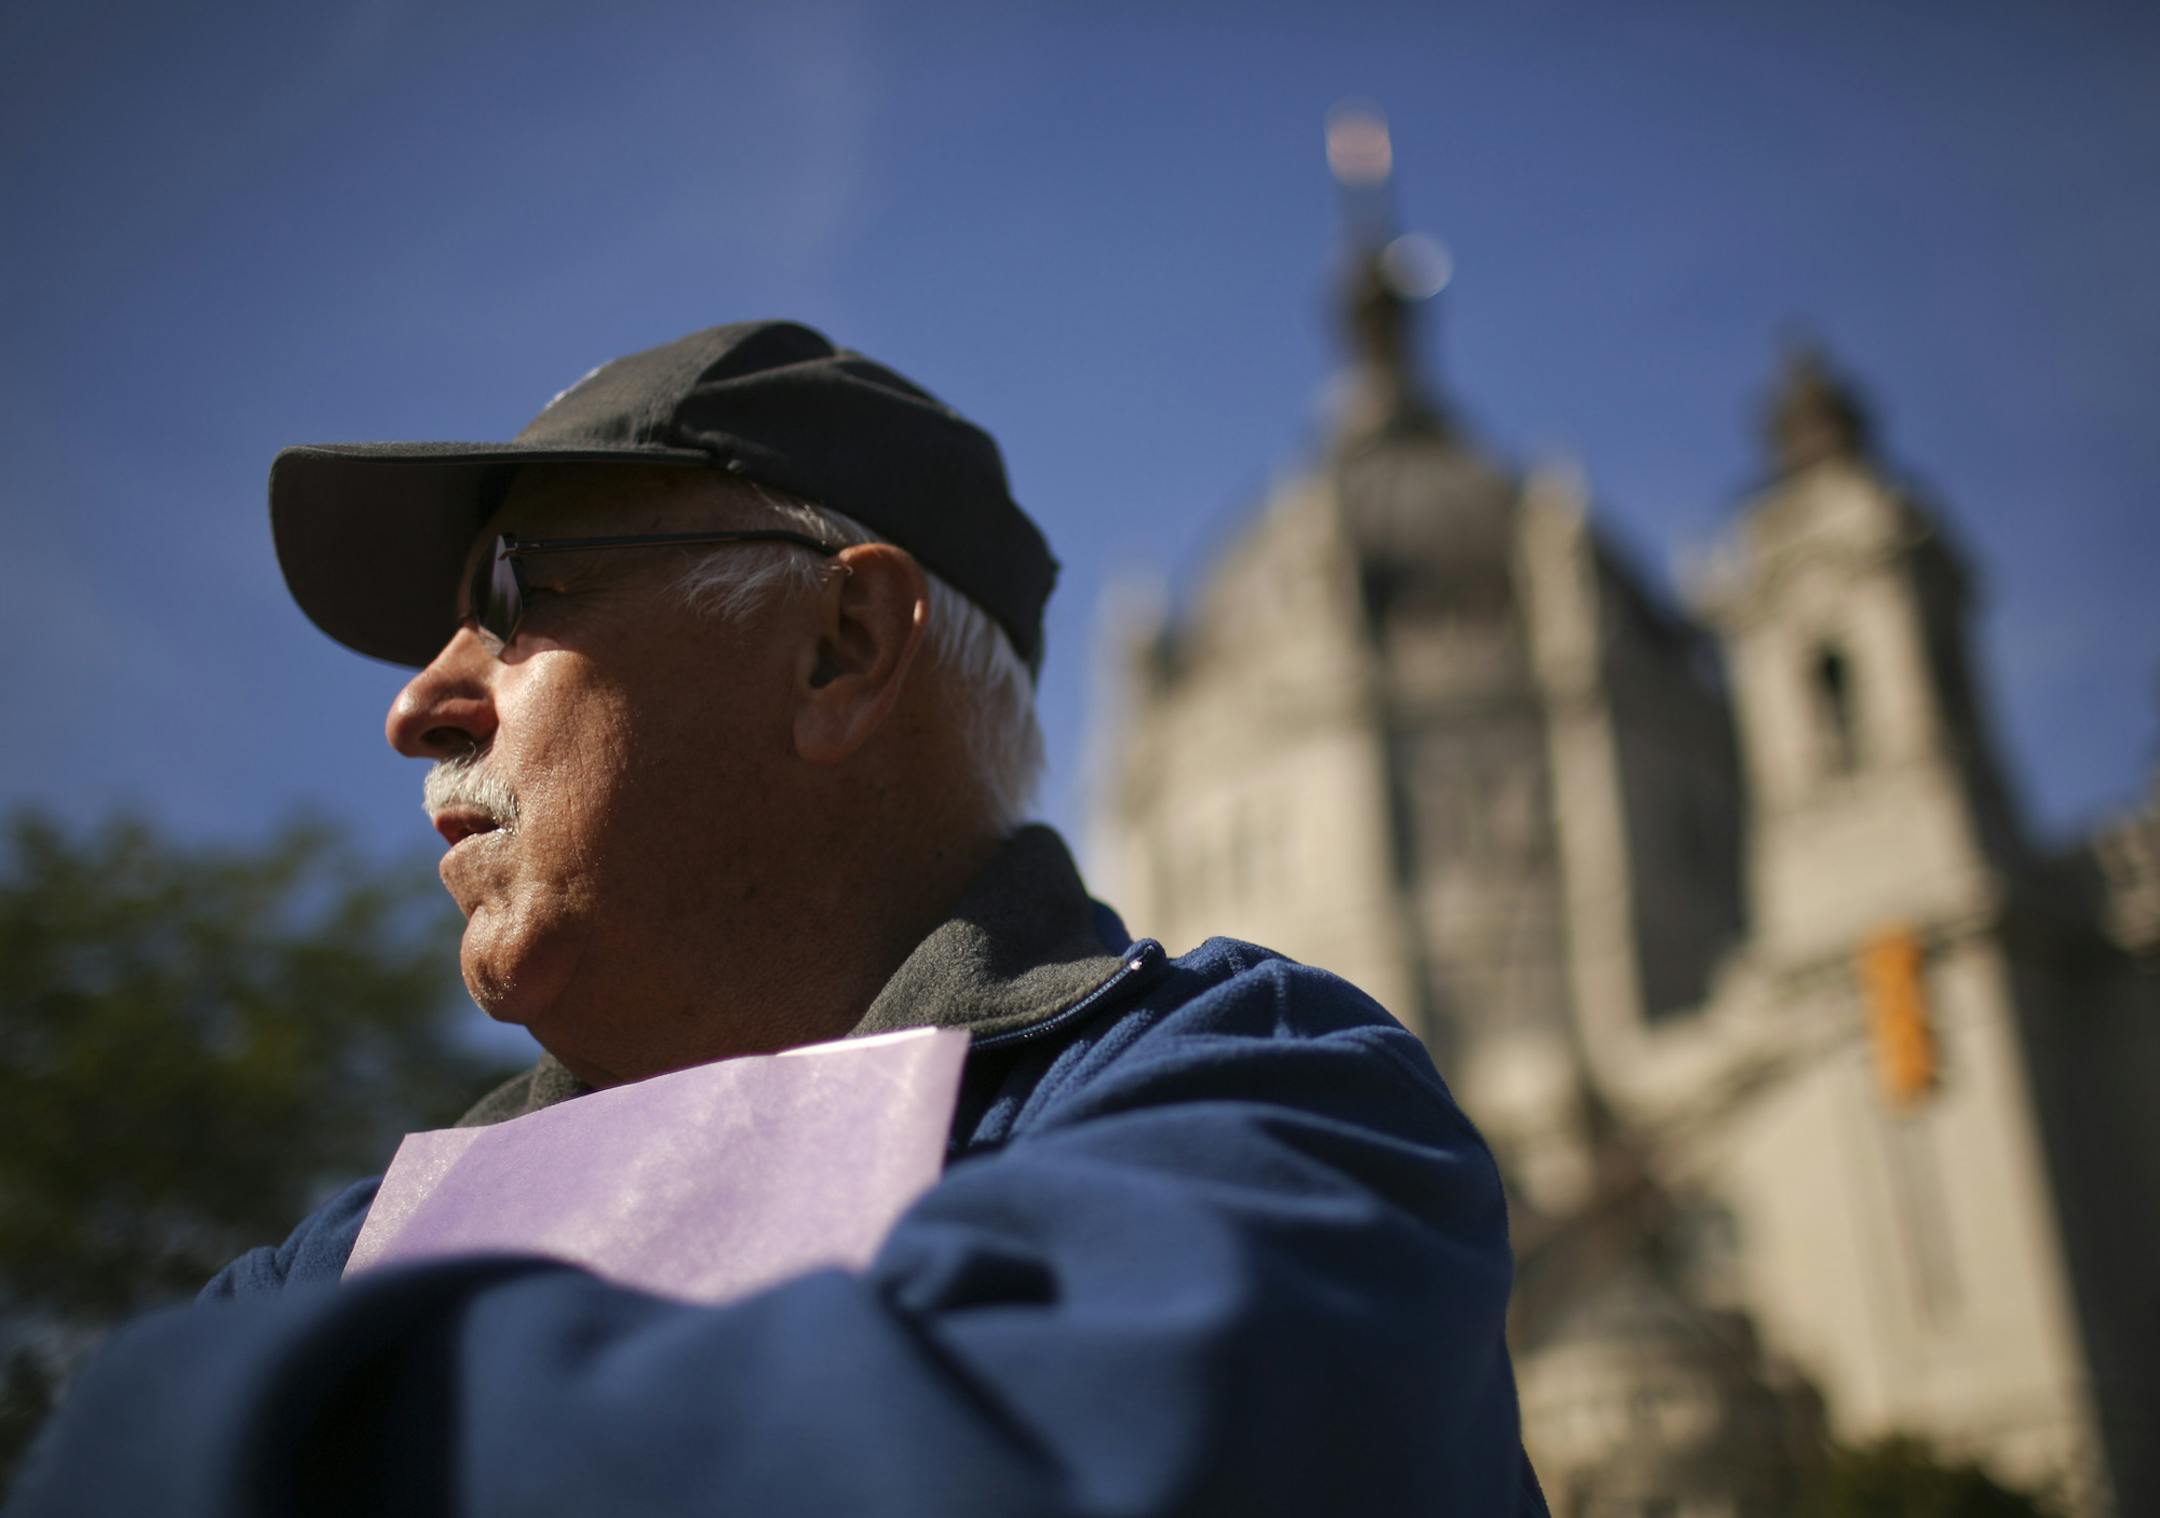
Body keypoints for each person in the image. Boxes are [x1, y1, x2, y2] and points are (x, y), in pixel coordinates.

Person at [8, 322, 1548, 1516]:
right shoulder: (330, 1267)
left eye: (516, 589)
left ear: (841, 644)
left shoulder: (1270, 1100)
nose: (419, 703)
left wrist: (174, 1417)